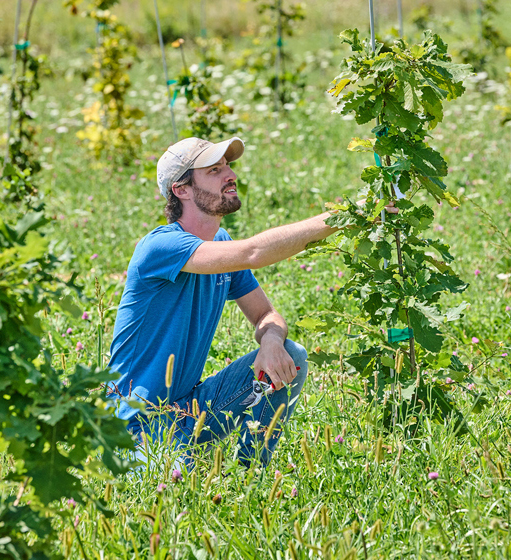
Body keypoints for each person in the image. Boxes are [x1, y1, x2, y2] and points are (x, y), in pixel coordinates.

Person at [108, 136, 394, 469]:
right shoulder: (161, 247)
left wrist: (271, 340)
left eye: (228, 166)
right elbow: (254, 252)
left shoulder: (220, 242)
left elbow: (265, 314)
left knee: (293, 355)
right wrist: (346, 215)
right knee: (176, 495)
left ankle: (250, 474)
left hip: (190, 408)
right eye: (214, 170)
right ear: (181, 189)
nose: (230, 174)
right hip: (135, 427)